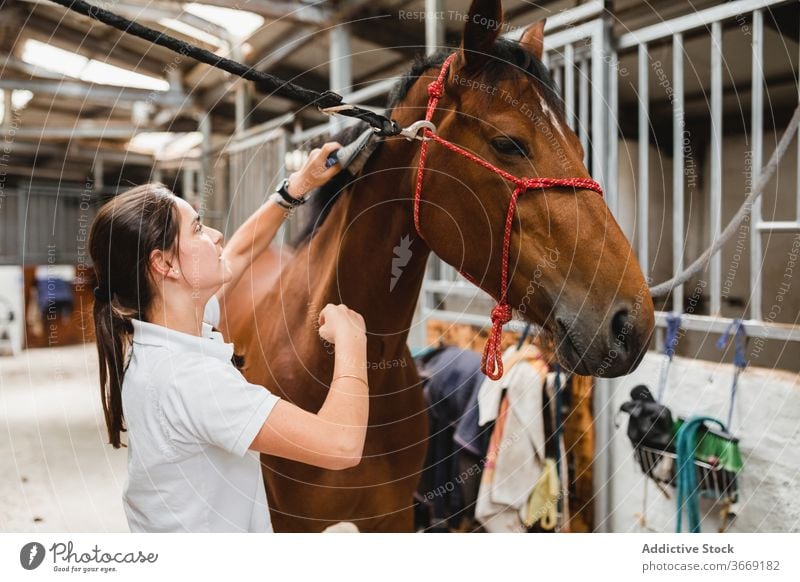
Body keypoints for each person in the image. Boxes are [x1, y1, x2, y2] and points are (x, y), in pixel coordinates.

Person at [88, 142, 369, 532]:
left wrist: (297, 187)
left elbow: (237, 253)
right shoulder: (191, 380)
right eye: (198, 228)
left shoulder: (168, 326)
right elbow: (341, 445)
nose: (217, 235)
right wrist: (353, 339)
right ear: (164, 264)